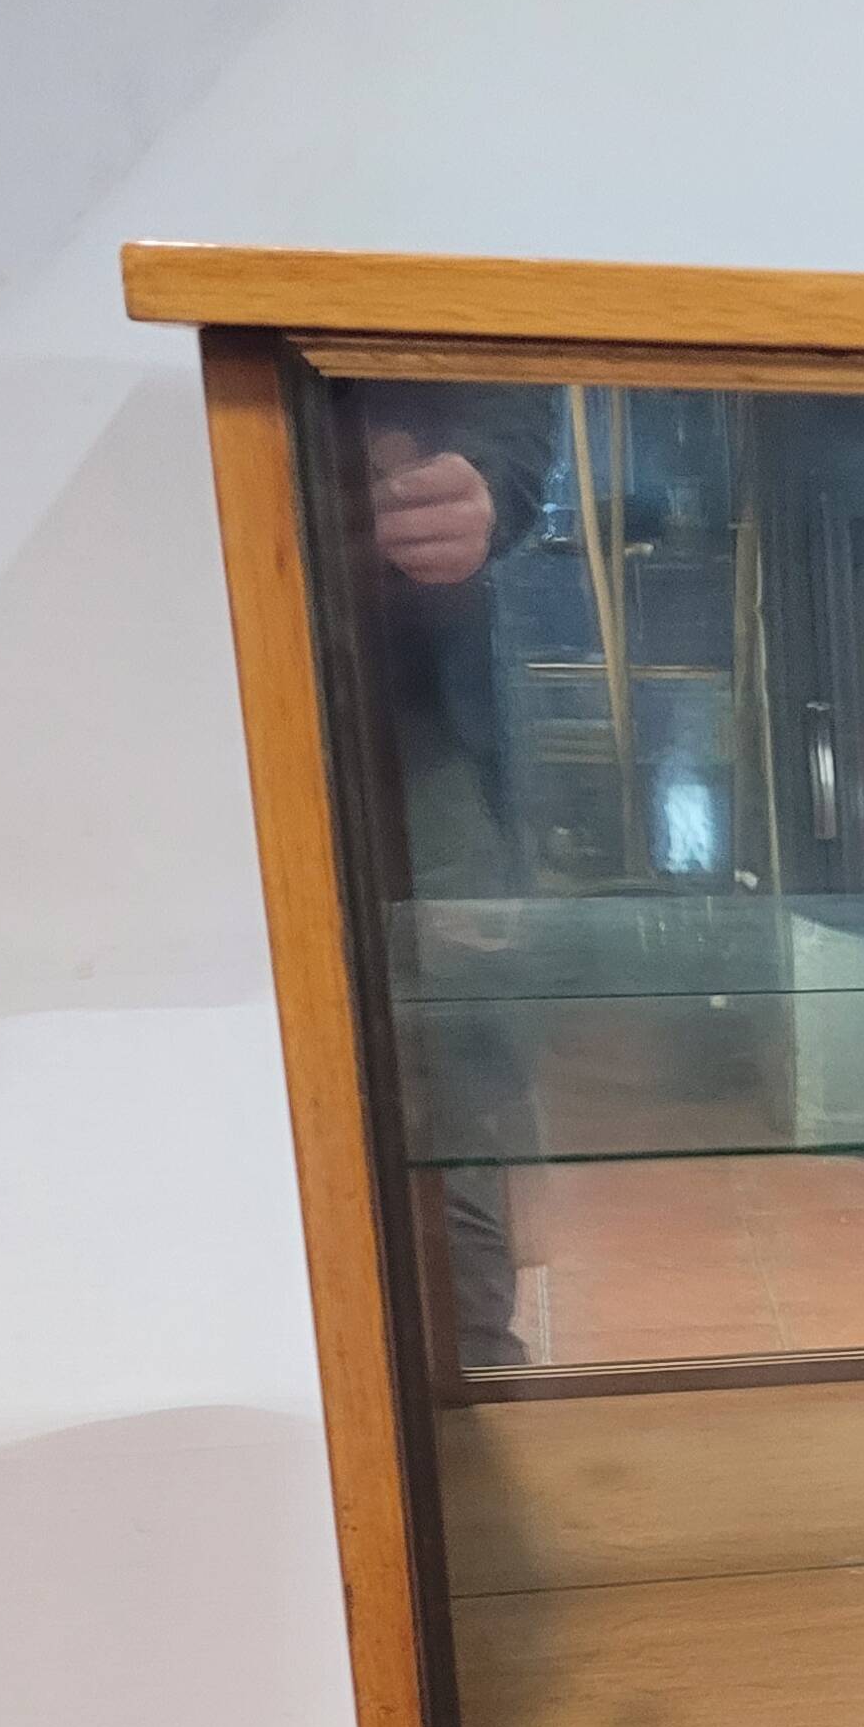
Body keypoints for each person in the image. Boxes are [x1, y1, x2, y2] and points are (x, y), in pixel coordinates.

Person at [360, 389, 558, 1361]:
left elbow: (514, 391)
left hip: (416, 710)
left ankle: (473, 1394)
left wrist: (486, 484)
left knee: (457, 1076)